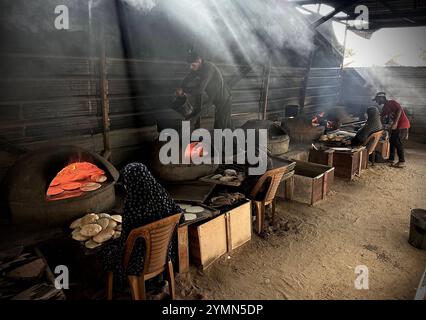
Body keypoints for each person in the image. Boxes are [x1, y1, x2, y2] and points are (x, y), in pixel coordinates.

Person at [99, 163, 182, 290]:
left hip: (139, 263)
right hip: (165, 254)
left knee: (106, 251)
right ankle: (157, 280)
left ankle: (123, 285)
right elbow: (180, 216)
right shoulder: (161, 193)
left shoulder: (132, 205)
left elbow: (126, 240)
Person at [176, 49, 233, 130]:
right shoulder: (197, 68)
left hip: (224, 99)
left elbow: (200, 90)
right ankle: (235, 141)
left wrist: (184, 90)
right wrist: (181, 87)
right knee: (222, 125)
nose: (191, 67)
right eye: (190, 65)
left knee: (223, 125)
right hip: (216, 100)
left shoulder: (209, 68)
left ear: (199, 61)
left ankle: (235, 141)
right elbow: (188, 78)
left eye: (193, 65)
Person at [373, 92, 410, 168]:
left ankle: (402, 161)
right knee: (392, 141)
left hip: (401, 124)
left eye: (377, 100)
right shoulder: (385, 107)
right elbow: (381, 117)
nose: (377, 102)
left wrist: (395, 123)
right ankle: (391, 159)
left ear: (382, 98)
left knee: (397, 142)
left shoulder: (391, 102)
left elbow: (399, 109)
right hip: (395, 126)